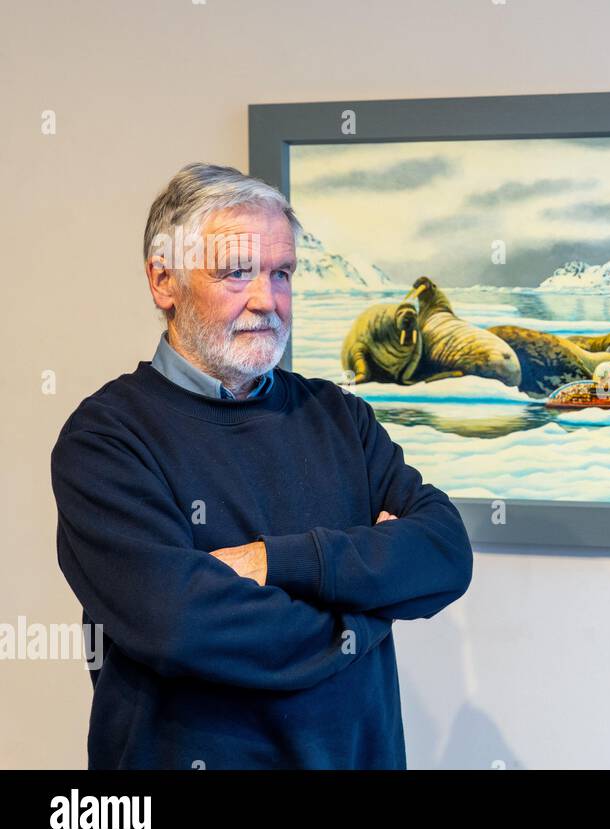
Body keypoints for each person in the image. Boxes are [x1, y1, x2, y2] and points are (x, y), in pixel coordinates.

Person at [50, 163, 473, 769]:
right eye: (236, 272)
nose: (266, 301)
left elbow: (444, 553)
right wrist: (372, 606)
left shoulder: (340, 417)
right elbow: (181, 626)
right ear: (163, 280)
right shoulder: (106, 440)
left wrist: (275, 562)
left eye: (281, 273)